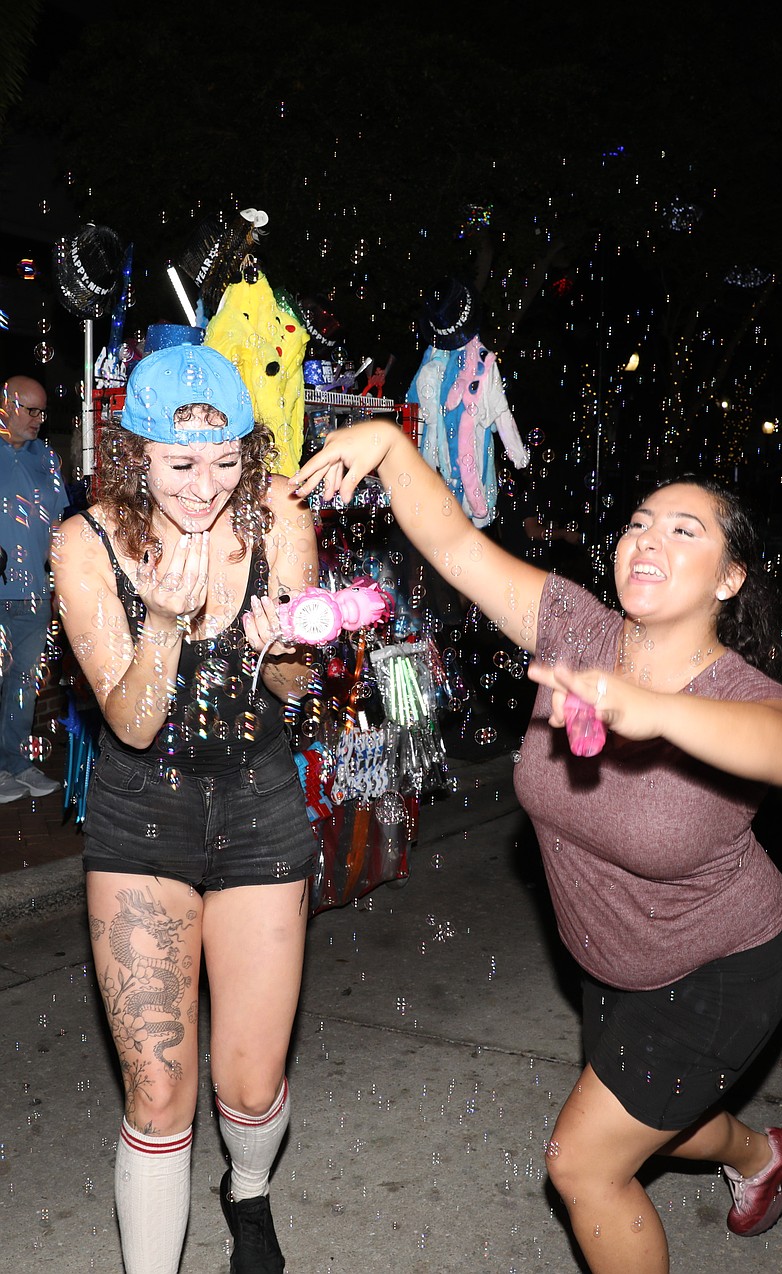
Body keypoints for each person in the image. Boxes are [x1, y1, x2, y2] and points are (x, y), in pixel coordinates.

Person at [290, 419, 782, 1274]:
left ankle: (755, 1156)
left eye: (686, 531)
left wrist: (649, 712)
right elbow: (456, 546)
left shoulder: (740, 696)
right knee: (667, 1118)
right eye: (641, 522)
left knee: (583, 1165)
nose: (649, 539)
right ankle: (762, 1157)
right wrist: (390, 449)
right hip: (611, 962)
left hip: (724, 967)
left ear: (729, 577)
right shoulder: (574, 628)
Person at [51, 343, 320, 1274]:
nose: (207, 486)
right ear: (135, 453)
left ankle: (247, 1191)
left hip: (259, 807)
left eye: (227, 458)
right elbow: (128, 723)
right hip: (141, 818)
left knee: (248, 1087)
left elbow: (291, 688)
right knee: (159, 1095)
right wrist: (162, 622)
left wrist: (286, 648)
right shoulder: (83, 542)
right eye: (180, 463)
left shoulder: (281, 515)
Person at [0, 375, 68, 803]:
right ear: (5, 405)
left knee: (24, 682)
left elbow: (58, 528)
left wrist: (61, 581)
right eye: (31, 410)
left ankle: (14, 761)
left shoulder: (47, 458)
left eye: (43, 411)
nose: (39, 420)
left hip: (34, 593)